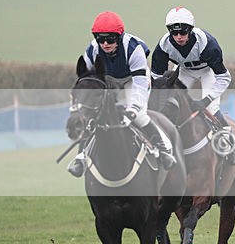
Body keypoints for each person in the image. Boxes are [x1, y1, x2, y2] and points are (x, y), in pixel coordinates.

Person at [67, 11, 176, 177]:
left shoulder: (134, 49)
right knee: (94, 116)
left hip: (133, 79)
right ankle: (81, 158)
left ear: (119, 37)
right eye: (100, 39)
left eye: (110, 39)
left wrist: (133, 109)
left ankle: (164, 149)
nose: (105, 43)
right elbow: (89, 80)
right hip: (109, 80)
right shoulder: (92, 50)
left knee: (139, 115)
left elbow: (140, 85)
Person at [150, 6, 235, 165]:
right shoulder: (164, 46)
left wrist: (206, 100)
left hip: (207, 72)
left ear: (190, 30)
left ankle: (229, 145)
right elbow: (156, 79)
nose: (178, 37)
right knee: (169, 104)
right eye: (174, 33)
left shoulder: (207, 44)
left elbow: (224, 77)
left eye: (183, 32)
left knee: (211, 108)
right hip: (183, 71)